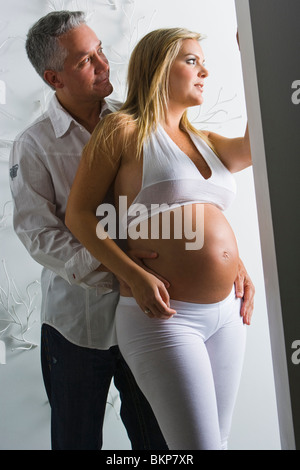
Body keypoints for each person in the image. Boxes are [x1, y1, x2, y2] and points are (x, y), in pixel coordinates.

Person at [65, 28, 254, 450]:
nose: (204, 70)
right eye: (191, 60)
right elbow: (79, 215)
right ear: (158, 67)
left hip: (228, 314)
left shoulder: (205, 141)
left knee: (217, 443)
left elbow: (258, 143)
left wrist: (254, 61)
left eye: (204, 62)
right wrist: (132, 275)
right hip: (167, 318)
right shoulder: (122, 129)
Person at [9, 11, 168, 450]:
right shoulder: (34, 145)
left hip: (146, 318)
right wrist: (117, 271)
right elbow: (39, 236)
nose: (103, 64)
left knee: (159, 445)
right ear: (53, 78)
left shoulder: (137, 121)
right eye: (85, 60)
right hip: (75, 328)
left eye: (100, 50)